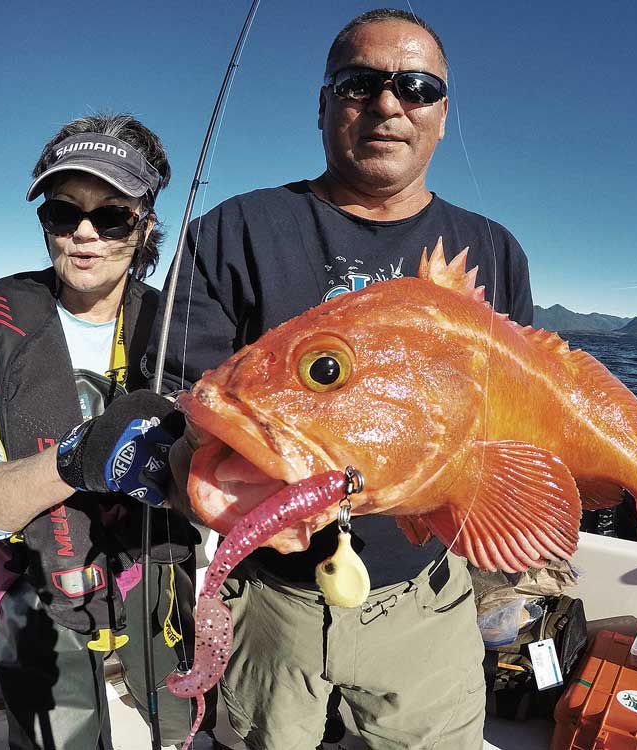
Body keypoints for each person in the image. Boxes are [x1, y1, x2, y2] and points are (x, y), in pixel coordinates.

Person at [153, 9, 533, 749]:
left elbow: (507, 425)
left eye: (417, 87)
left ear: (442, 114)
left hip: (428, 600)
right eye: (361, 83)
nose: (390, 104)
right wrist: (187, 471)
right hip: (269, 605)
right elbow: (181, 403)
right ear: (324, 103)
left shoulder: (496, 252)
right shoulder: (234, 231)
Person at [0, 113, 217, 750]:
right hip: (39, 589)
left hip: (158, 581)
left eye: (112, 215)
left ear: (145, 223)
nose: (84, 234)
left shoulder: (189, 322)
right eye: (63, 213)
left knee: (180, 731)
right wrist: (76, 459)